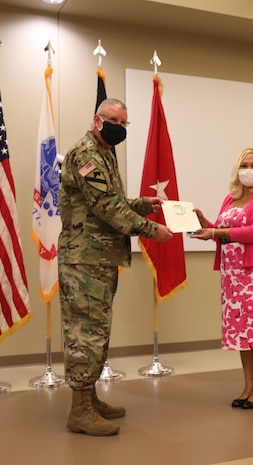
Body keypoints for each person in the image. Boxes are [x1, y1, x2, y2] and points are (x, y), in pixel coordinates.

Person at [58, 98, 173, 436]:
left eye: (124, 124)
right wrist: (152, 231)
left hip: (99, 259)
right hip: (84, 261)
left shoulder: (105, 151)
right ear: (97, 119)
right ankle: (79, 410)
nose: (119, 128)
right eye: (114, 121)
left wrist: (143, 205)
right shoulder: (87, 154)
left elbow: (113, 201)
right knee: (84, 334)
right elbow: (106, 207)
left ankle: (89, 398)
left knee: (96, 331)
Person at [191, 147, 253, 409]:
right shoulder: (230, 198)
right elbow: (222, 231)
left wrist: (216, 233)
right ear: (237, 168)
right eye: (246, 165)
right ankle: (248, 386)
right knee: (243, 332)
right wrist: (205, 224)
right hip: (232, 276)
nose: (250, 170)